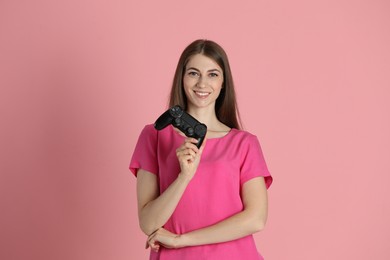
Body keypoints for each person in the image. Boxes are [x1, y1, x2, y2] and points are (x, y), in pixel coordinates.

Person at [129, 39, 273, 260]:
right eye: (194, 73)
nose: (202, 83)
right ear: (182, 78)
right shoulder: (154, 135)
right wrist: (183, 177)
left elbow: (255, 219)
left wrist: (181, 240)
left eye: (213, 74)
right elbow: (148, 223)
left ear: (223, 82)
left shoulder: (244, 143)